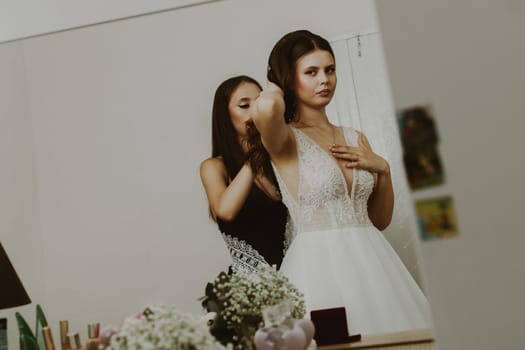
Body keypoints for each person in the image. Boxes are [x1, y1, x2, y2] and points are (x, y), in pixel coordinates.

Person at [251, 30, 433, 335]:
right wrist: (275, 80)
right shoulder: (284, 139)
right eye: (311, 72)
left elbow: (380, 219)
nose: (325, 80)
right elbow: (266, 108)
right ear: (289, 79)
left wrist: (383, 170)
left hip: (374, 262)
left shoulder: (354, 137)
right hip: (318, 269)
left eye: (330, 70)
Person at [200, 75, 288, 272]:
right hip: (251, 285)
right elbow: (225, 211)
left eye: (259, 103)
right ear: (226, 115)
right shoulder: (213, 167)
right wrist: (253, 157)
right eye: (244, 105)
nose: (254, 112)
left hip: (297, 272)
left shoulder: (279, 160)